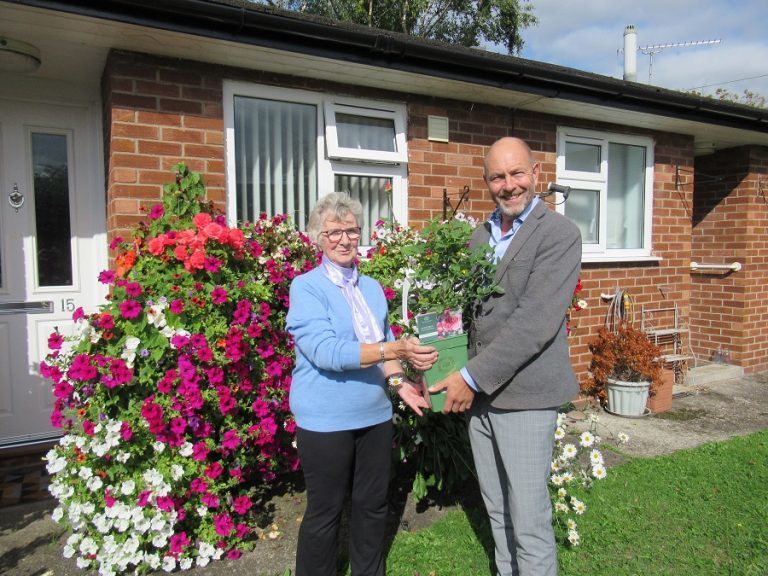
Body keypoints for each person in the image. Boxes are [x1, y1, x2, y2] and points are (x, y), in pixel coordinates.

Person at [429, 137, 582, 576]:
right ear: (487, 182)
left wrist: (468, 378)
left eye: (517, 173)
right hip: (480, 397)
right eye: (498, 176)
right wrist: (434, 346)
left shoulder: (558, 235)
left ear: (536, 175)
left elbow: (534, 324)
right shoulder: (479, 236)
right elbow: (468, 313)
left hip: (526, 396)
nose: (509, 185)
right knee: (498, 511)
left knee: (529, 522)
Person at [286, 192, 437, 576]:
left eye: (351, 230)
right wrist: (395, 347)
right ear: (318, 238)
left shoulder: (369, 288)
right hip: (325, 419)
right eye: (333, 231)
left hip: (373, 414)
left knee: (372, 505)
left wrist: (400, 383)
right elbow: (326, 352)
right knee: (325, 513)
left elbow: (381, 340)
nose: (344, 239)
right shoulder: (306, 288)